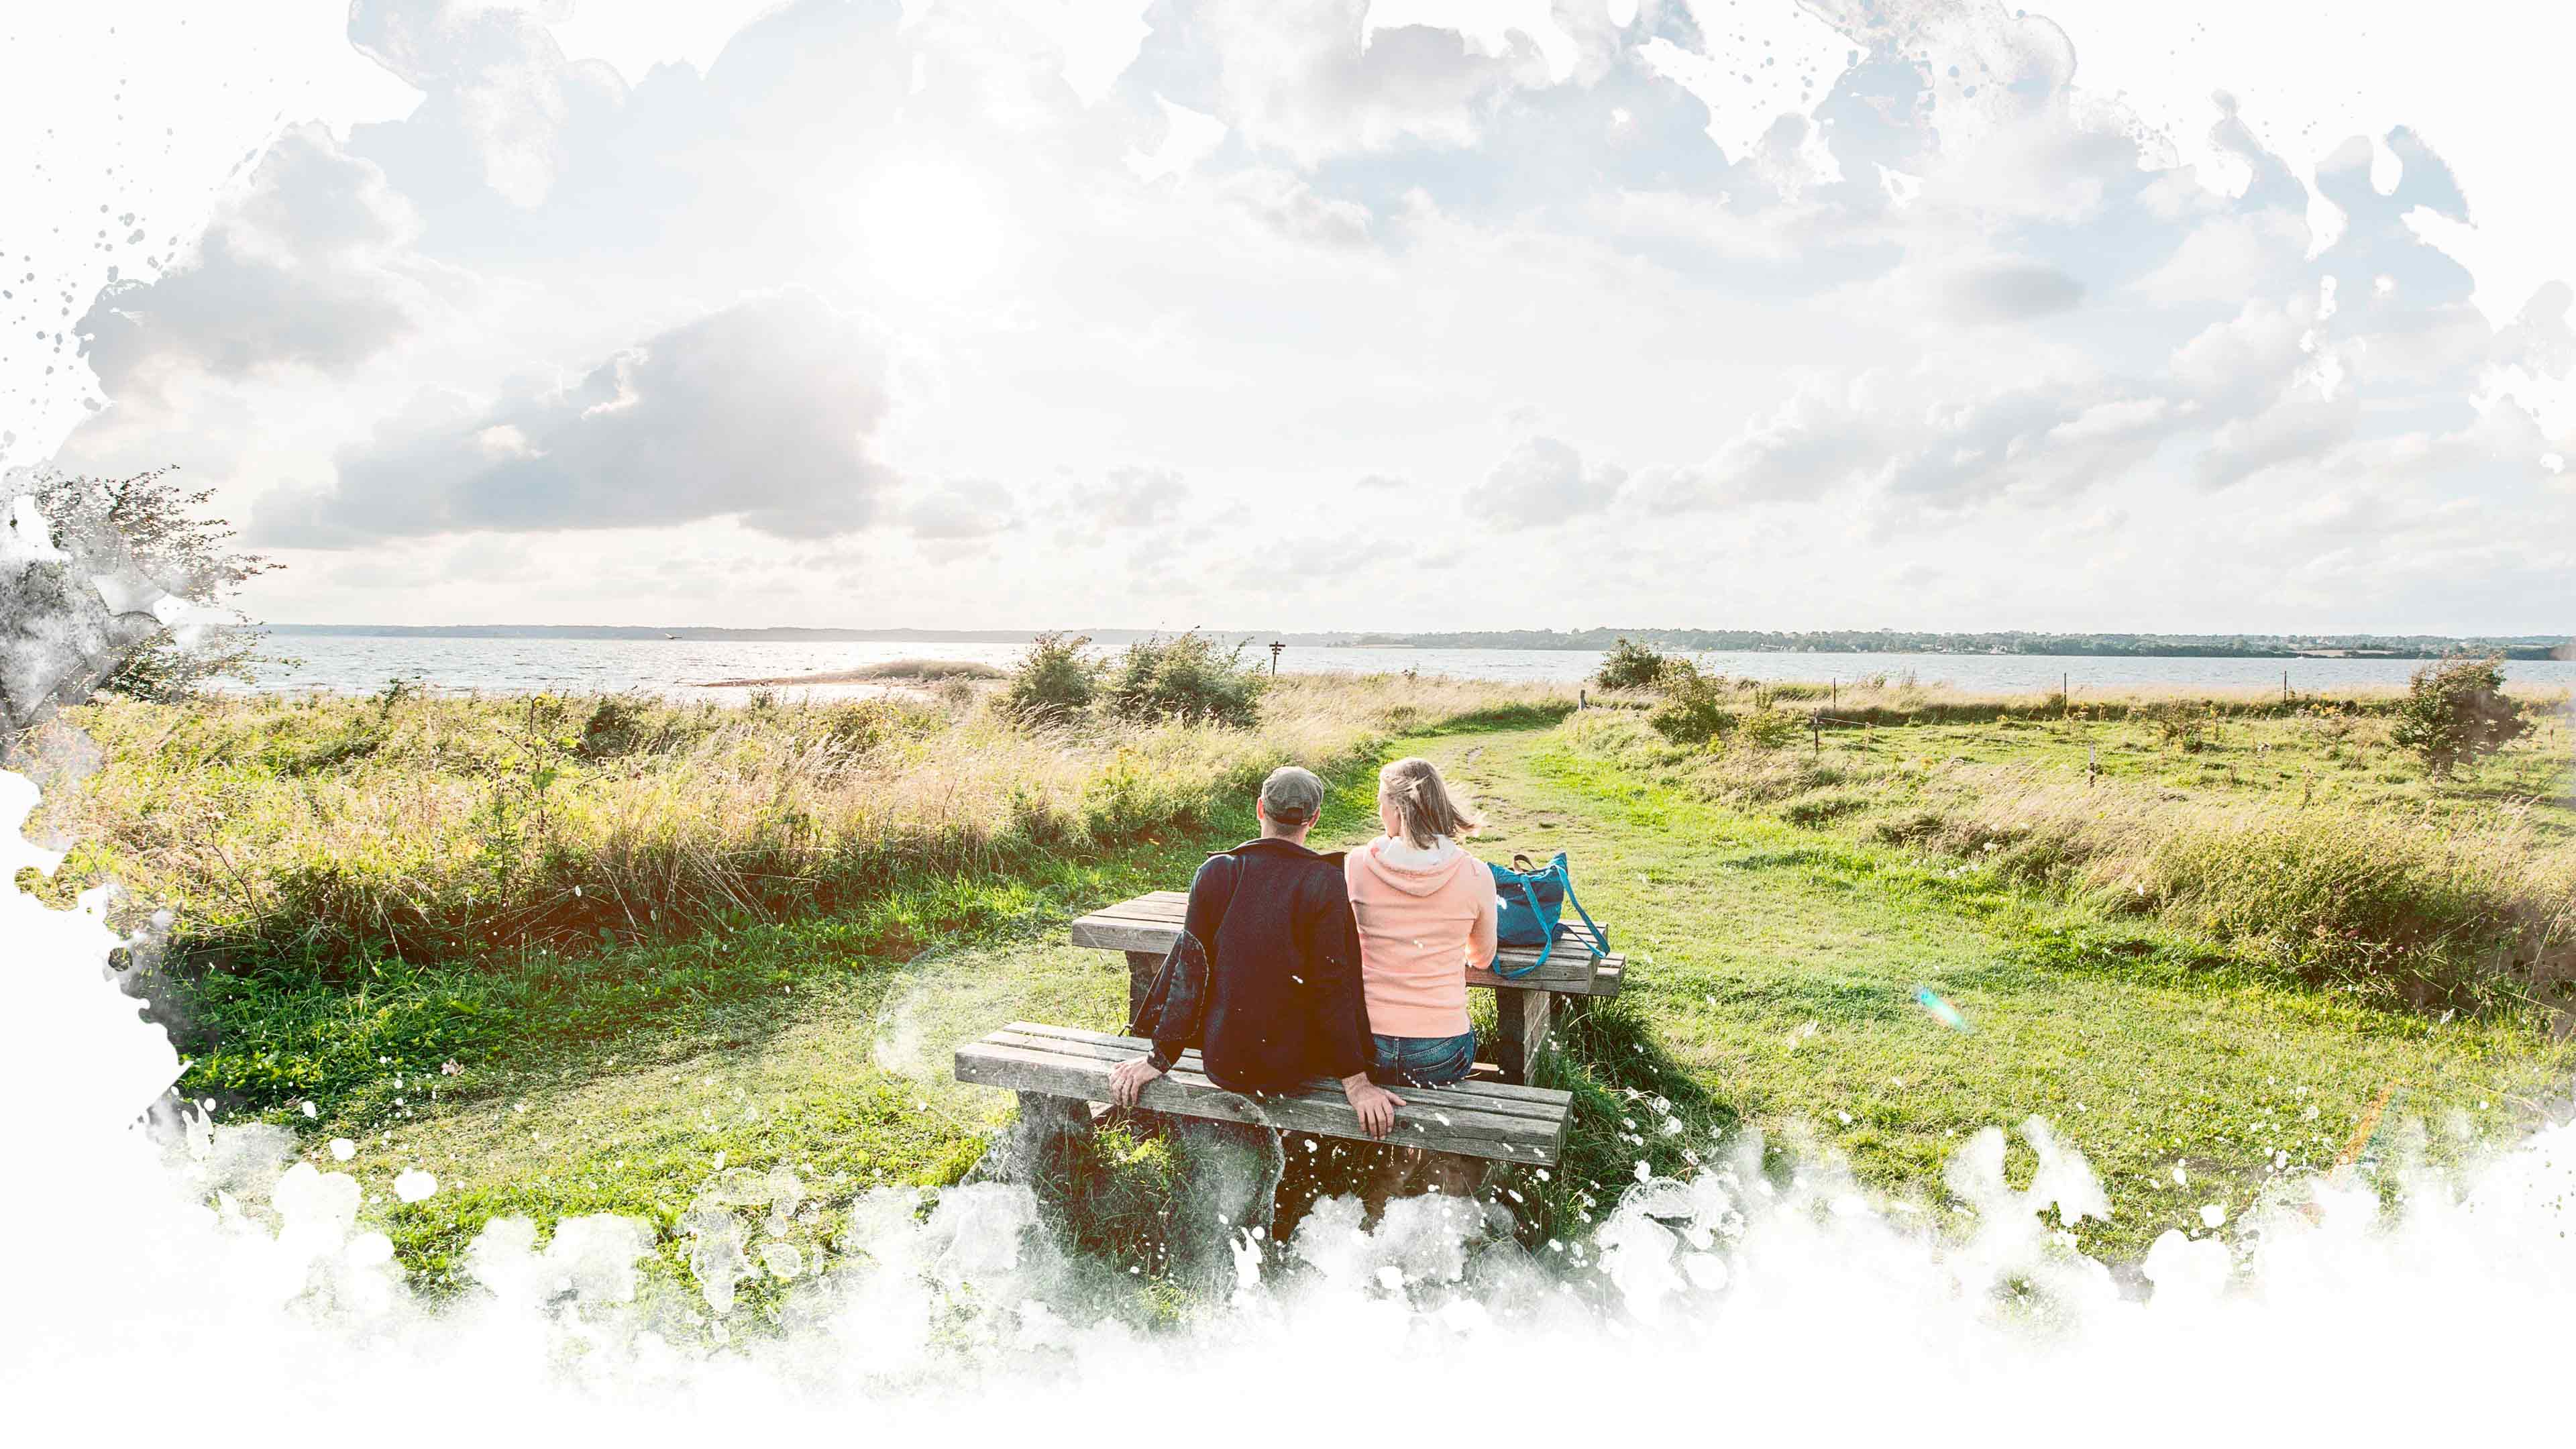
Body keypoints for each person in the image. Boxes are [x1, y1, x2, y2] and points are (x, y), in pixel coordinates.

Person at [1108, 764, 1407, 1138]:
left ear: (1260, 809)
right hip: (1292, 1069)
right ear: (1314, 818)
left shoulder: (1215, 872)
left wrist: (1160, 1058)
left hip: (1223, 1063)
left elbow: (1190, 971)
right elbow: (1332, 986)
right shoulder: (1325, 881)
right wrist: (1356, 1081)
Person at [1342, 757, 1496, 1090]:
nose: (1379, 811)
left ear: (1399, 810)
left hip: (1367, 1043)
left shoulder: (1356, 865)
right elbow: (1482, 958)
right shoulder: (1476, 874)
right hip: (1441, 1049)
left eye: (1381, 802)